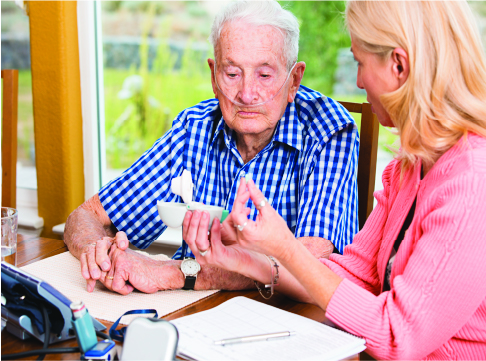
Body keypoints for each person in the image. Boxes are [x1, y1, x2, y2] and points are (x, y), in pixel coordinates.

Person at [183, 1, 486, 359]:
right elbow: (351, 275)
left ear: (399, 66)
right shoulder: (409, 169)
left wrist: (284, 246)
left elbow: (396, 337)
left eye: (360, 63)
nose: (358, 81)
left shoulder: (472, 182)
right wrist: (246, 260)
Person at [63, 1, 360, 295]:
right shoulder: (194, 127)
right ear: (213, 77)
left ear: (294, 80)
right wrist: (96, 252)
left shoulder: (328, 130)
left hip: (288, 319)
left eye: (264, 75)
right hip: (197, 316)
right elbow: (87, 215)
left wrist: (175, 273)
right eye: (232, 74)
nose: (246, 94)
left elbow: (314, 262)